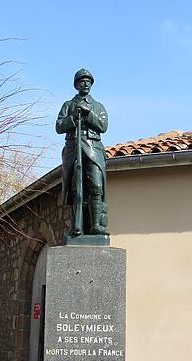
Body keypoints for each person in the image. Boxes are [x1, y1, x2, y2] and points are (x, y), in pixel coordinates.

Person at [56, 69, 109, 236]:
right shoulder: (68, 105)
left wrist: (88, 113)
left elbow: (103, 126)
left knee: (96, 186)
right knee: (76, 189)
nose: (85, 84)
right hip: (73, 147)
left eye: (88, 81)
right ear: (76, 84)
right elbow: (59, 126)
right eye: (81, 81)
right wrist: (73, 118)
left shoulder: (98, 106)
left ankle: (96, 226)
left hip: (93, 148)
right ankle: (75, 226)